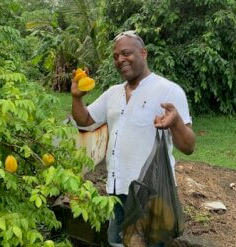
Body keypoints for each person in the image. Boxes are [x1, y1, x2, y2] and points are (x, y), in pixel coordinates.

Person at [71, 30, 196, 247]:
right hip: (116, 188)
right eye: (116, 56)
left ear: (144, 53)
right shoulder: (113, 93)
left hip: (150, 194)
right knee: (117, 243)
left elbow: (188, 146)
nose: (120, 60)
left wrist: (175, 122)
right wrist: (76, 98)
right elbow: (85, 120)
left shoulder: (168, 90)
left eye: (126, 53)